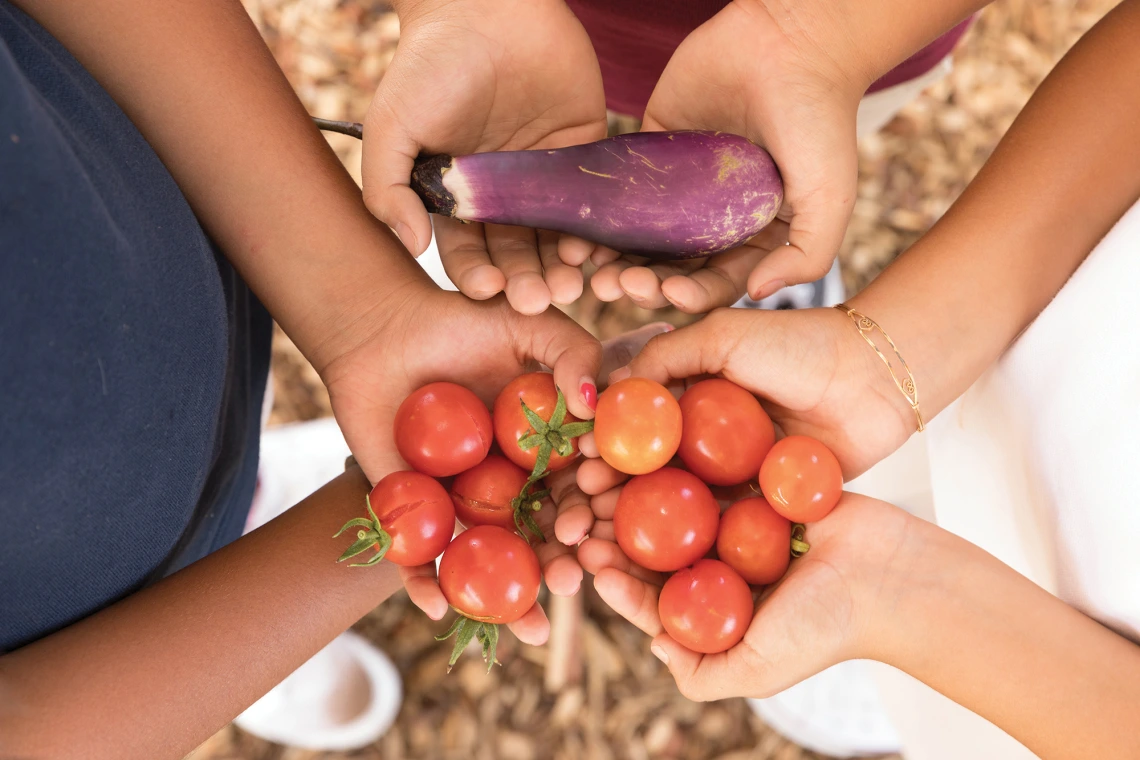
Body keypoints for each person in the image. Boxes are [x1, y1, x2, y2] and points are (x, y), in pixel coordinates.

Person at [0, 0, 604, 755]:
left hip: (156, 255)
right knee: (165, 605)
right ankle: (219, 633)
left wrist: (362, 314)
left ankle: (243, 505)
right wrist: (387, 524)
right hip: (77, 623)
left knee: (215, 452)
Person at [557, 1, 1140, 756]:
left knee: (947, 613)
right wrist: (889, 363)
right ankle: (908, 638)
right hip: (1031, 366)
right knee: (948, 474)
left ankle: (911, 661)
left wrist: (907, 602)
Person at [362, 0, 982, 315]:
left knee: (807, 147)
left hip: (867, 30)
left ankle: (791, 251)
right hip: (555, 25)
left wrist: (821, 36)